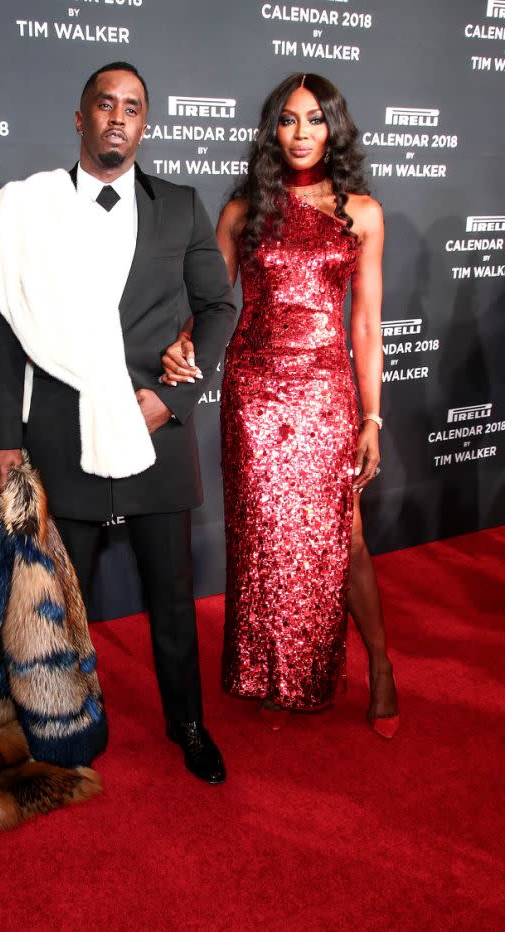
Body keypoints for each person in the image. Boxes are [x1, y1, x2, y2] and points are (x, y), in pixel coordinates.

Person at [0, 62, 237, 782]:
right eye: (104, 105)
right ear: (81, 117)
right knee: (57, 601)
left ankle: (187, 724)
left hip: (155, 431)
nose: (118, 117)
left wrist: (173, 400)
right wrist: (4, 433)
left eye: (132, 108)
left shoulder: (180, 206)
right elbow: (6, 325)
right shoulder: (33, 208)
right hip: (63, 431)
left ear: (144, 124)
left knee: (174, 598)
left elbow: (219, 307)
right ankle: (59, 728)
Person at [161, 73, 399, 737]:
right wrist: (183, 346)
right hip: (254, 395)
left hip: (326, 394)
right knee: (264, 538)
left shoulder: (363, 212)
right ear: (273, 130)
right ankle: (277, 671)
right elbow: (213, 306)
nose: (301, 134)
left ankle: (379, 663)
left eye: (315, 120)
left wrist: (372, 418)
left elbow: (366, 327)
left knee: (339, 536)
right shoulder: (244, 212)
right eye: (289, 120)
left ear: (334, 129)